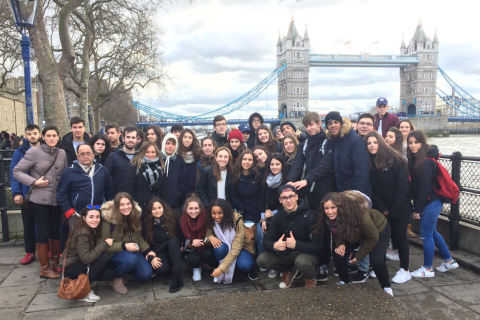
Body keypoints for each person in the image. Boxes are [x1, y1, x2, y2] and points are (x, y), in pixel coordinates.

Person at [13, 125, 68, 279]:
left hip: (56, 199)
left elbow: (65, 174)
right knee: (42, 231)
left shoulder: (62, 153)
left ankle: (55, 264)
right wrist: (33, 182)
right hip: (39, 199)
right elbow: (17, 171)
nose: (52, 138)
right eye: (48, 135)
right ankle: (44, 268)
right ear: (43, 137)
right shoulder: (34, 152)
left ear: (58, 137)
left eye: (54, 135)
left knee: (55, 231)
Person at [287, 111, 335, 282]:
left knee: (324, 229)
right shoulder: (303, 145)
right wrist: (290, 184)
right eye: (306, 126)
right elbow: (297, 165)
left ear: (319, 123)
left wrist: (307, 180)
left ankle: (324, 262)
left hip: (324, 193)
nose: (309, 128)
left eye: (312, 125)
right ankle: (306, 261)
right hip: (308, 194)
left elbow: (325, 166)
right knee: (308, 228)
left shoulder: (327, 143)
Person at [318, 192, 393, 297]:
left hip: (378, 229)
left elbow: (372, 237)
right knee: (338, 254)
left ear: (340, 207)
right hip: (355, 234)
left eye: (333, 207)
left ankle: (386, 287)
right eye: (326, 208)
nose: (329, 211)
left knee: (376, 260)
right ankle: (345, 281)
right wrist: (340, 244)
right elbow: (336, 233)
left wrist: (358, 256)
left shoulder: (361, 217)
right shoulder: (329, 219)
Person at [407, 130, 459, 278]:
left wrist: (417, 210)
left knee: (425, 235)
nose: (412, 145)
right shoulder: (422, 159)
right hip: (434, 201)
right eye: (410, 142)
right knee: (432, 232)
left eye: (416, 142)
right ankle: (449, 261)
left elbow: (423, 189)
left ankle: (428, 268)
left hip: (430, 202)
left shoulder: (425, 163)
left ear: (422, 143)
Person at [365, 131, 412, 284]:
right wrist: (381, 206)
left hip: (399, 207)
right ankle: (381, 267)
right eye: (369, 143)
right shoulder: (369, 162)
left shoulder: (395, 159)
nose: (372, 145)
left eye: (374, 142)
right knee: (381, 238)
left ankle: (405, 269)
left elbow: (402, 186)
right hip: (382, 208)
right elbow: (371, 188)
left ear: (380, 142)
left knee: (400, 237)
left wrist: (394, 209)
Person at [257, 185, 322, 288]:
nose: (288, 200)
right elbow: (266, 241)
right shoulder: (278, 217)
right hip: (289, 253)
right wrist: (275, 245)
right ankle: (289, 269)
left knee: (302, 262)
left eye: (291, 196)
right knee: (262, 260)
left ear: (296, 197)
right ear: (280, 200)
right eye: (284, 198)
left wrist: (296, 244)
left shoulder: (310, 215)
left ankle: (311, 277)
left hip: (309, 253)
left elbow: (319, 247)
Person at [60, 206, 117, 303]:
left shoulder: (91, 229)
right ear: (84, 218)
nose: (95, 220)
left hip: (79, 264)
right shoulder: (82, 233)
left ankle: (83, 284)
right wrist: (105, 244)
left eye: (97, 217)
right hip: (70, 268)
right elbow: (86, 259)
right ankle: (82, 291)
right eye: (91, 217)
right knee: (102, 257)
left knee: (110, 273)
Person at [100, 193, 155, 293]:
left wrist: (148, 251)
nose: (126, 207)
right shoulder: (108, 220)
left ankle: (125, 270)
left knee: (145, 274)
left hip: (132, 251)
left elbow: (139, 238)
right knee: (131, 259)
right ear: (117, 206)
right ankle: (116, 278)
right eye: (122, 205)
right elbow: (104, 245)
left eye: (128, 203)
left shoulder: (136, 216)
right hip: (113, 253)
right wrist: (124, 246)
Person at [57, 143, 115, 236]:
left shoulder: (102, 170)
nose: (86, 156)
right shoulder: (70, 171)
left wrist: (107, 210)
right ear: (78, 156)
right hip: (77, 214)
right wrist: (70, 212)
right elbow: (61, 193)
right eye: (82, 154)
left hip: (97, 213)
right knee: (78, 240)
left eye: (88, 153)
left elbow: (110, 191)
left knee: (97, 239)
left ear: (93, 154)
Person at [9, 124, 41, 265]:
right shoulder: (20, 152)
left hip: (43, 193)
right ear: (26, 136)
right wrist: (16, 193)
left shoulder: (46, 150)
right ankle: (30, 251)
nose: (32, 136)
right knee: (28, 224)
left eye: (35, 133)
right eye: (29, 134)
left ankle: (45, 250)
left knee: (44, 224)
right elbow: (13, 172)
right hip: (26, 193)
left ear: (40, 134)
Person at [204, 199, 256, 283]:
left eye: (220, 213)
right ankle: (225, 269)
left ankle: (246, 270)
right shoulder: (211, 221)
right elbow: (207, 236)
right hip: (224, 248)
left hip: (240, 248)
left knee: (245, 265)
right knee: (219, 247)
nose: (216, 217)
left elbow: (236, 248)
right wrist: (210, 237)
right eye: (214, 213)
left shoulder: (237, 220)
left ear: (226, 212)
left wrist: (222, 267)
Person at [143, 198, 185, 293]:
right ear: (150, 211)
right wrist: (150, 257)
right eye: (154, 209)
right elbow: (144, 242)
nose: (157, 211)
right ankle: (169, 270)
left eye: (159, 207)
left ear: (163, 208)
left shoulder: (172, 217)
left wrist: (181, 244)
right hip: (159, 251)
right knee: (161, 269)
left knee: (173, 241)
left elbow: (180, 235)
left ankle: (177, 277)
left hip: (174, 249)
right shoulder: (146, 223)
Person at [325, 111, 371, 196]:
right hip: (341, 191)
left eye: (336, 122)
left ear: (341, 123)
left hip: (355, 191)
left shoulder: (354, 139)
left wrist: (356, 194)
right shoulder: (331, 141)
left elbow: (361, 170)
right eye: (330, 123)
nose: (333, 125)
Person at [229, 150, 262, 261]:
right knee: (248, 240)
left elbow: (261, 195)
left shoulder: (258, 176)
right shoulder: (235, 177)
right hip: (244, 213)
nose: (247, 162)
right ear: (240, 160)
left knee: (260, 235)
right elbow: (233, 196)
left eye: (249, 160)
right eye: (244, 159)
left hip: (257, 213)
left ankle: (260, 259)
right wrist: (242, 206)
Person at [123, 142, 167, 213]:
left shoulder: (160, 167)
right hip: (141, 208)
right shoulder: (135, 167)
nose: (150, 154)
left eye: (153, 152)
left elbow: (163, 189)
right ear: (142, 152)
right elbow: (129, 189)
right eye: (147, 152)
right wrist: (135, 206)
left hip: (156, 208)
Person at [180, 195, 208, 282]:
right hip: (191, 248)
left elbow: (211, 233)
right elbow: (181, 238)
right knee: (193, 258)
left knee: (209, 254)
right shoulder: (182, 220)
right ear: (186, 209)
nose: (193, 211)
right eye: (190, 208)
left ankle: (214, 266)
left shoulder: (207, 217)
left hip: (206, 245)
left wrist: (204, 241)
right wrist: (192, 242)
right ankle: (196, 268)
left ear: (200, 208)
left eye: (196, 208)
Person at [397, 119, 417, 238]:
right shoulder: (396, 141)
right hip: (400, 174)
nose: (403, 129)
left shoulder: (413, 142)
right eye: (401, 127)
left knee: (408, 200)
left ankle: (408, 226)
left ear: (411, 129)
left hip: (410, 174)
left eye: (406, 127)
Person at [104, 126, 138, 194]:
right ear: (123, 138)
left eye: (133, 137)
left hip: (136, 201)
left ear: (137, 139)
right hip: (118, 200)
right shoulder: (113, 157)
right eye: (128, 137)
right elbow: (106, 180)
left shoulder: (141, 157)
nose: (130, 140)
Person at [160, 133, 187, 212]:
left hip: (174, 202)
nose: (170, 146)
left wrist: (178, 194)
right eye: (168, 143)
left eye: (173, 144)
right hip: (159, 201)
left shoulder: (179, 160)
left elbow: (183, 180)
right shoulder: (158, 159)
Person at [178, 129, 200, 197]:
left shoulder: (197, 154)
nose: (187, 140)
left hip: (194, 191)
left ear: (193, 140)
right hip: (180, 192)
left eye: (190, 137)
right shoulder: (176, 155)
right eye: (185, 137)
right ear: (181, 138)